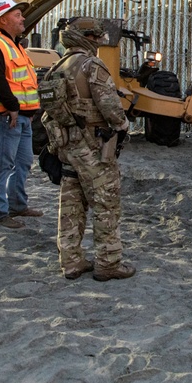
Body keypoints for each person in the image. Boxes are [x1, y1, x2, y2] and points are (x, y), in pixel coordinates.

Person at [44, 17, 134, 281]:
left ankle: (71, 261)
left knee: (71, 203)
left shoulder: (58, 66)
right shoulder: (91, 65)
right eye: (97, 37)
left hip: (67, 145)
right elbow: (110, 107)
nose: (99, 42)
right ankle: (108, 263)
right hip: (93, 147)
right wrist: (122, 127)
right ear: (90, 38)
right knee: (106, 203)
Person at [0, 0, 42, 229]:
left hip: (23, 116)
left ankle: (17, 204)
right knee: (2, 164)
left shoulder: (16, 45)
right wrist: (12, 107)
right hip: (7, 116)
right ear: (3, 19)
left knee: (24, 162)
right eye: (17, 15)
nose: (23, 18)